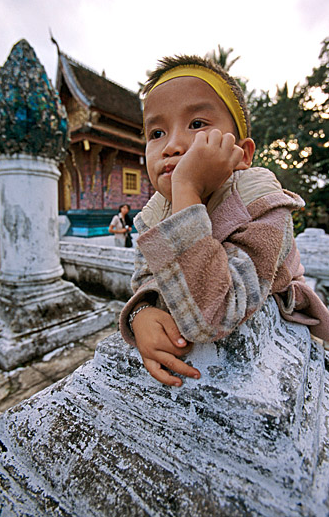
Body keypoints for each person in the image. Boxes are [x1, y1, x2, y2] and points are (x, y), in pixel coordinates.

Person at [119, 54, 329, 387]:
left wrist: (186, 188)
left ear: (242, 154)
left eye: (197, 124)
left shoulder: (261, 199)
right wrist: (141, 314)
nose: (172, 145)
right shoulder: (154, 212)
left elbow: (213, 316)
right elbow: (146, 277)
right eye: (156, 132)